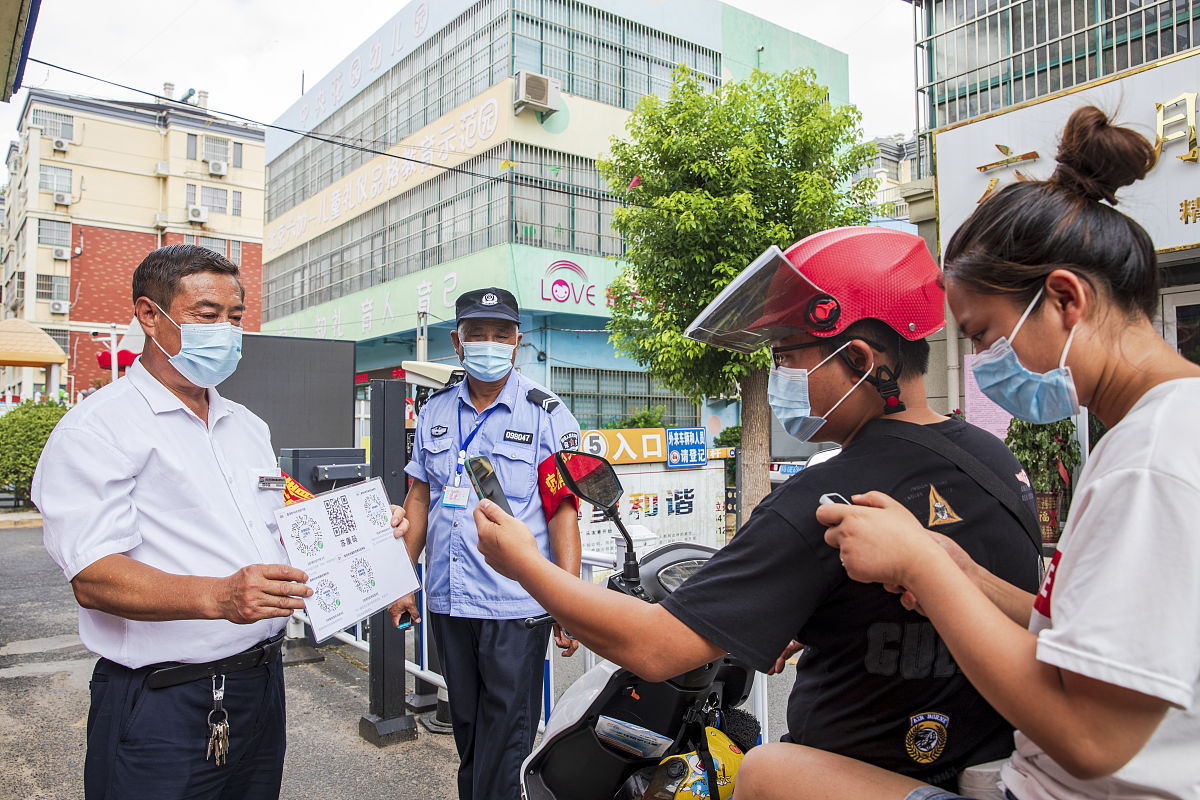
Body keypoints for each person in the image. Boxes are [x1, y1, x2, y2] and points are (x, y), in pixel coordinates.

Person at [466, 227, 1043, 789]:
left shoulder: (827, 500)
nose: (778, 378)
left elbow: (655, 646)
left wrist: (525, 565)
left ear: (863, 361)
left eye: (789, 357)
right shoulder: (995, 461)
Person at [734, 107, 1200, 800]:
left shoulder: (1153, 460)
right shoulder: (1157, 429)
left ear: (1065, 299)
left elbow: (1093, 737)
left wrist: (926, 565)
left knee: (771, 771)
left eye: (984, 336)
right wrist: (962, 574)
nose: (983, 362)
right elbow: (1093, 644)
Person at [32, 245, 313, 800]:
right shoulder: (98, 430)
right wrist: (220, 596)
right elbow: (93, 576)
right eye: (206, 315)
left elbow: (275, 520)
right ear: (148, 315)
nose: (227, 332)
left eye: (235, 318)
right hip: (163, 702)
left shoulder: (247, 426)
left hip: (260, 685)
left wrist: (364, 530)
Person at [388, 287, 583, 800]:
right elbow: (418, 498)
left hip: (515, 605)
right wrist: (401, 581)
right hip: (450, 602)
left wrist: (568, 599)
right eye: (478, 334)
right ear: (458, 342)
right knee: (470, 733)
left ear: (517, 342)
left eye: (502, 335)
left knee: (506, 740)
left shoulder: (546, 413)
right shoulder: (432, 411)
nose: (490, 344)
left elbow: (562, 510)